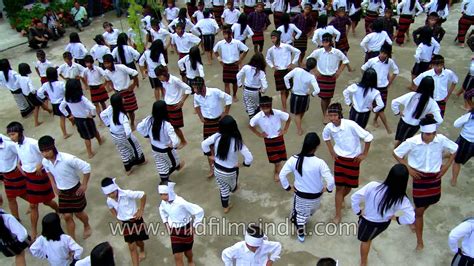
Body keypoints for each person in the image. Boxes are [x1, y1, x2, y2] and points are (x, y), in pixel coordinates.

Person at [393, 114, 458, 250]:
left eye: (433, 133)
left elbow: (455, 149)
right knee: (420, 211)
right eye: (428, 134)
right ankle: (419, 241)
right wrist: (408, 169)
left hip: (435, 177)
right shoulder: (412, 141)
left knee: (431, 201)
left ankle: (415, 214)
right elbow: (397, 153)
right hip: (419, 177)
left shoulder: (440, 140)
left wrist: (446, 166)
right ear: (422, 132)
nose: (431, 136)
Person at [351, 164, 415, 266]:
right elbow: (411, 218)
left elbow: (355, 197)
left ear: (390, 175)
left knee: (365, 241)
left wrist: (358, 211)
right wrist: (396, 218)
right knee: (370, 238)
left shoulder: (373, 186)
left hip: (368, 222)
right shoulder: (402, 199)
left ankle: (363, 263)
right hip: (383, 224)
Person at [322, 103, 373, 224]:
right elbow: (326, 137)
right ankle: (338, 214)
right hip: (339, 160)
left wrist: (364, 154)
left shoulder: (351, 125)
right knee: (339, 187)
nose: (333, 118)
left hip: (353, 160)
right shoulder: (329, 127)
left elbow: (368, 137)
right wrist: (331, 151)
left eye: (335, 115)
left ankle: (342, 198)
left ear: (340, 115)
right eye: (330, 115)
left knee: (349, 186)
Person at [6, 121, 58, 239]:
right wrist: (19, 165)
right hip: (29, 177)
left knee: (47, 201)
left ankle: (58, 210)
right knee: (33, 205)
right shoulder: (15, 145)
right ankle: (34, 231)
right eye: (9, 135)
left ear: (20, 133)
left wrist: (41, 163)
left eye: (13, 134)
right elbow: (20, 155)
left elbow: (49, 154)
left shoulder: (33, 143)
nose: (11, 137)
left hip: (40, 176)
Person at [279, 132, 334, 241]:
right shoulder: (320, 163)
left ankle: (301, 235)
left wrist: (288, 187)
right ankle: (303, 218)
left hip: (301, 195)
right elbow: (331, 180)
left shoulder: (294, 159)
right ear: (317, 146)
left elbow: (281, 175)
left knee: (299, 216)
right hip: (316, 196)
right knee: (309, 211)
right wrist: (327, 189)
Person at [39, 135, 92, 241]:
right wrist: (53, 184)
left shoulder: (68, 159)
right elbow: (48, 171)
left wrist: (84, 184)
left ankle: (86, 225)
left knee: (78, 213)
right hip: (62, 192)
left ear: (53, 147)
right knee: (67, 216)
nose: (45, 154)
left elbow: (86, 167)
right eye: (42, 151)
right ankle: (72, 240)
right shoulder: (45, 161)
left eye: (47, 150)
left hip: (75, 189)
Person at [201, 115, 253, 213]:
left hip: (217, 168)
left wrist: (210, 155)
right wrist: (243, 164)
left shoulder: (217, 136)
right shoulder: (237, 142)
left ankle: (225, 207)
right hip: (230, 171)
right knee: (232, 187)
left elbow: (204, 144)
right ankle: (233, 189)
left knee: (223, 188)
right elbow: (249, 158)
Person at [101, 177, 148, 266]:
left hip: (136, 220)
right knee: (131, 247)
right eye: (108, 194)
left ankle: (142, 249)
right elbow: (111, 208)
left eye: (112, 193)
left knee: (139, 241)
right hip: (126, 223)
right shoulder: (109, 200)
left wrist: (141, 210)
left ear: (115, 189)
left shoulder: (127, 194)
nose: (111, 195)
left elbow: (143, 195)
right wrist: (118, 218)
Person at [193, 77, 232, 177]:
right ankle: (212, 167)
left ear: (201, 87)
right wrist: (201, 117)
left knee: (222, 144)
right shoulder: (196, 96)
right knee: (209, 146)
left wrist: (226, 113)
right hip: (207, 123)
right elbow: (196, 105)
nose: (194, 90)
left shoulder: (215, 92)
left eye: (195, 88)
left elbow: (228, 98)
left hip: (219, 121)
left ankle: (226, 165)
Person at [158, 182, 204, 266]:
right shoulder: (163, 202)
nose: (163, 197)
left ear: (171, 192)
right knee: (177, 256)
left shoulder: (181, 202)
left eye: (165, 194)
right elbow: (162, 210)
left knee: (188, 251)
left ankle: (190, 260)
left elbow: (199, 211)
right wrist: (166, 223)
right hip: (174, 231)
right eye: (161, 194)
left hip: (186, 229)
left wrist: (194, 226)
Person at [137, 101, 185, 182]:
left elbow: (139, 127)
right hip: (165, 149)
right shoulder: (167, 125)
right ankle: (174, 170)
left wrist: (146, 135)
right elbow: (176, 141)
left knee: (160, 163)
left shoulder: (148, 119)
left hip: (154, 148)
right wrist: (173, 145)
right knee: (174, 162)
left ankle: (164, 178)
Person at [307, 33, 349, 123]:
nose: (324, 43)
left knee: (328, 97)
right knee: (323, 97)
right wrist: (315, 70)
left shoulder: (337, 52)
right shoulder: (318, 51)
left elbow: (345, 61)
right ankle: (325, 115)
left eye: (326, 41)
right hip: (321, 77)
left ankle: (327, 112)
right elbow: (309, 59)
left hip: (332, 77)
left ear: (330, 42)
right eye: (323, 41)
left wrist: (339, 72)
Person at [100, 93, 145, 175]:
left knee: (123, 151)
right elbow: (127, 130)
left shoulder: (110, 108)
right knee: (136, 146)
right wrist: (128, 137)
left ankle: (128, 169)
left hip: (114, 135)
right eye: (122, 98)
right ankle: (140, 161)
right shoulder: (122, 116)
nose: (124, 99)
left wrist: (108, 124)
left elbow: (102, 115)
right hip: (123, 135)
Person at [391, 76, 443, 147]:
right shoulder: (432, 103)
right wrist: (431, 126)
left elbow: (394, 102)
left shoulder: (411, 95)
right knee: (406, 140)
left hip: (404, 121)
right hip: (415, 125)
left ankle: (397, 149)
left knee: (400, 139)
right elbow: (439, 120)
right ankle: (398, 151)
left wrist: (397, 112)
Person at [249, 96, 290, 181]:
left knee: (278, 159)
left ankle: (276, 172)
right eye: (263, 108)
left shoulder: (278, 113)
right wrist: (259, 134)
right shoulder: (257, 117)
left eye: (267, 107)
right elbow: (250, 125)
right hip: (268, 140)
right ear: (261, 107)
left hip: (279, 138)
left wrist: (285, 130)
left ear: (270, 106)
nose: (266, 110)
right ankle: (280, 175)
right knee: (276, 160)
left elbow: (288, 118)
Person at [60, 79, 103, 158]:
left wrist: (68, 115)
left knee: (85, 136)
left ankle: (93, 148)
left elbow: (61, 107)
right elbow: (93, 107)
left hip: (77, 120)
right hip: (86, 118)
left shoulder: (66, 98)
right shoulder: (82, 98)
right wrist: (93, 115)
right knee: (92, 131)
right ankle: (96, 145)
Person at [361, 43, 398, 133]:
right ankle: (387, 126)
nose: (382, 55)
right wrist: (367, 80)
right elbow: (363, 69)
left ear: (388, 54)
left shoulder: (390, 62)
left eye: (385, 53)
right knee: (378, 108)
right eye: (381, 52)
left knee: (381, 107)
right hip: (373, 88)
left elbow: (396, 71)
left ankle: (375, 119)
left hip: (383, 88)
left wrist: (390, 82)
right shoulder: (372, 61)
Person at [155, 66, 192, 148]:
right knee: (168, 126)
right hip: (167, 105)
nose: (159, 79)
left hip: (175, 106)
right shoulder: (163, 81)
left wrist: (182, 101)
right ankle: (173, 140)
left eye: (159, 76)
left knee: (175, 127)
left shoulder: (175, 80)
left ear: (163, 75)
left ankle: (183, 141)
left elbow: (188, 89)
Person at [265, 30, 301, 112]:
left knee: (288, 89)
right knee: (282, 91)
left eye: (274, 38)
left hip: (287, 71)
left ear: (278, 38)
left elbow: (298, 52)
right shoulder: (271, 50)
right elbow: (267, 58)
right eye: (271, 38)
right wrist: (272, 66)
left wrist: (292, 63)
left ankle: (286, 102)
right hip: (278, 72)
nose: (272, 40)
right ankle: (284, 107)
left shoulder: (286, 46)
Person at [103, 54, 140, 130]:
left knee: (131, 110)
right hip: (118, 93)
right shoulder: (106, 72)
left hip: (127, 91)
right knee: (121, 111)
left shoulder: (121, 67)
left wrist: (133, 85)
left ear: (112, 62)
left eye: (108, 63)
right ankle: (125, 124)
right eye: (105, 63)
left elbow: (135, 73)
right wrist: (113, 89)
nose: (106, 65)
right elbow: (108, 80)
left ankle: (132, 123)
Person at [284, 58, 320, 135]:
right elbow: (317, 90)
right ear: (314, 67)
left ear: (305, 63)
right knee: (302, 111)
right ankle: (299, 124)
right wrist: (312, 94)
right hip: (305, 96)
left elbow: (286, 77)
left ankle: (299, 129)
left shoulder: (297, 70)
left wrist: (289, 88)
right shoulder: (311, 77)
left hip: (295, 95)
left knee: (297, 114)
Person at [214, 26, 249, 102]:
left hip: (234, 65)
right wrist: (220, 60)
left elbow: (246, 49)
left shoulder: (237, 43)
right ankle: (228, 98)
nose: (225, 36)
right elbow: (215, 51)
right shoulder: (221, 43)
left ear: (231, 34)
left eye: (227, 34)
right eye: (224, 34)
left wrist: (240, 60)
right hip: (226, 65)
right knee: (226, 83)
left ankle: (234, 95)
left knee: (234, 83)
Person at [37, 67, 74, 139]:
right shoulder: (60, 83)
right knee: (69, 114)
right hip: (63, 102)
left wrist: (46, 98)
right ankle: (70, 127)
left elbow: (39, 93)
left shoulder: (45, 84)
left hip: (54, 104)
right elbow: (67, 91)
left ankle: (66, 132)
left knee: (62, 118)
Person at [0, 134, 28, 219]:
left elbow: (21, 151)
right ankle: (16, 220)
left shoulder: (9, 145)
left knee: (24, 195)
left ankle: (35, 203)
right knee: (11, 198)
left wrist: (19, 164)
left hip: (15, 173)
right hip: (5, 175)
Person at [17, 63, 51, 127]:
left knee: (40, 103)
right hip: (31, 95)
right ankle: (36, 122)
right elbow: (32, 89)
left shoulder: (19, 78)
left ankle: (49, 110)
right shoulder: (28, 79)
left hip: (26, 94)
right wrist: (35, 92)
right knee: (36, 107)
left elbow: (18, 85)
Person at [236, 53, 269, 118]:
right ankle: (256, 117)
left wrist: (239, 84)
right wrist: (262, 91)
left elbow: (238, 75)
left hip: (246, 90)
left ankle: (251, 117)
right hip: (256, 92)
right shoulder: (261, 72)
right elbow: (265, 85)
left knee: (248, 105)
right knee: (256, 105)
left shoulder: (246, 67)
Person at [451, 109, 474, 186]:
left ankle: (454, 180)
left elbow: (456, 124)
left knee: (457, 161)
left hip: (465, 141)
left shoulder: (469, 116)